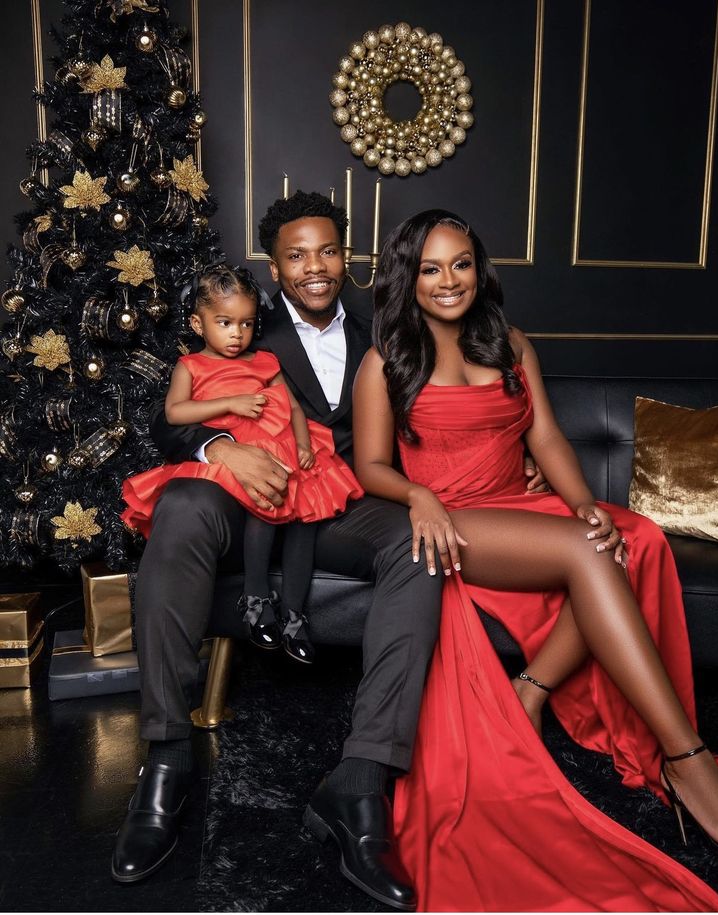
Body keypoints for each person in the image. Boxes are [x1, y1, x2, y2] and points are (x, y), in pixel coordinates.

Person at [111, 191, 547, 902]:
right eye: (295, 256)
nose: (314, 268)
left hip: (340, 501)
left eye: (328, 252)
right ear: (276, 271)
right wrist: (221, 446)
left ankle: (359, 780)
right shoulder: (244, 329)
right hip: (240, 493)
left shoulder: (392, 327)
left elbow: (450, 408)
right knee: (183, 504)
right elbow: (170, 421)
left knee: (416, 545)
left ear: (349, 261)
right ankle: (165, 757)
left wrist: (516, 456)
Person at [350, 208, 718, 911]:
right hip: (454, 520)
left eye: (460, 263)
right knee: (589, 551)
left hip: (516, 506)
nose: (448, 281)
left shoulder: (512, 343)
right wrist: (420, 496)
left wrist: (586, 500)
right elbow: (371, 464)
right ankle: (687, 754)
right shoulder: (384, 360)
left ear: (480, 268)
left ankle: (533, 687)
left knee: (633, 535)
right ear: (408, 278)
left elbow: (550, 439)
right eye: (430, 268)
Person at [120, 264, 364, 664]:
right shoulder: (191, 366)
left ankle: (295, 616)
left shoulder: (264, 362)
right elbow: (175, 413)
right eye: (225, 322)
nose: (237, 333)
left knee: (305, 523)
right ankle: (255, 602)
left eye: (247, 323)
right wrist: (230, 404)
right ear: (198, 324)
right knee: (264, 512)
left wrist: (304, 445)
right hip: (239, 457)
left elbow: (295, 409)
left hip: (284, 449)